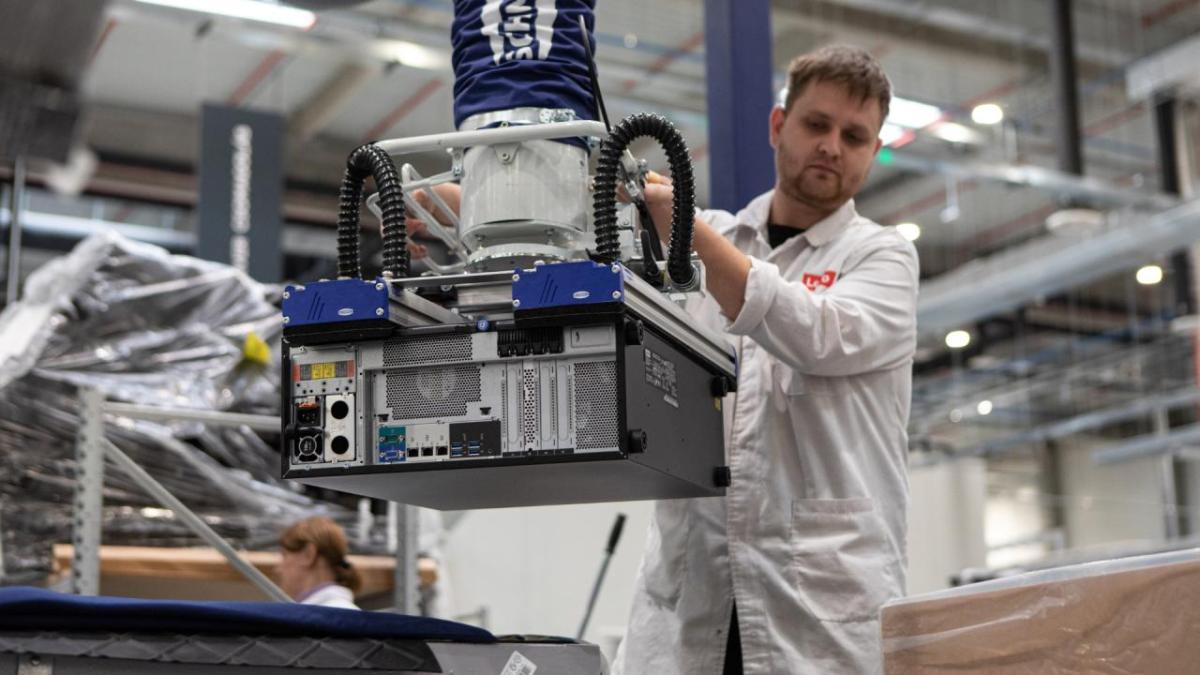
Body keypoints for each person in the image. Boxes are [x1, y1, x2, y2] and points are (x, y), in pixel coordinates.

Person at [611, 45, 918, 674]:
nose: (832, 146)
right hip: (693, 600)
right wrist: (465, 211)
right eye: (817, 124)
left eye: (855, 136)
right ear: (780, 126)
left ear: (874, 150)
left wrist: (689, 234)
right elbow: (578, 248)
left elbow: (816, 334)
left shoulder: (883, 259)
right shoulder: (708, 236)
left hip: (817, 614)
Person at [278, 516, 362, 609]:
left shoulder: (326, 615)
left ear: (308, 555)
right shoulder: (339, 611)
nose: (279, 569)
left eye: (285, 556)